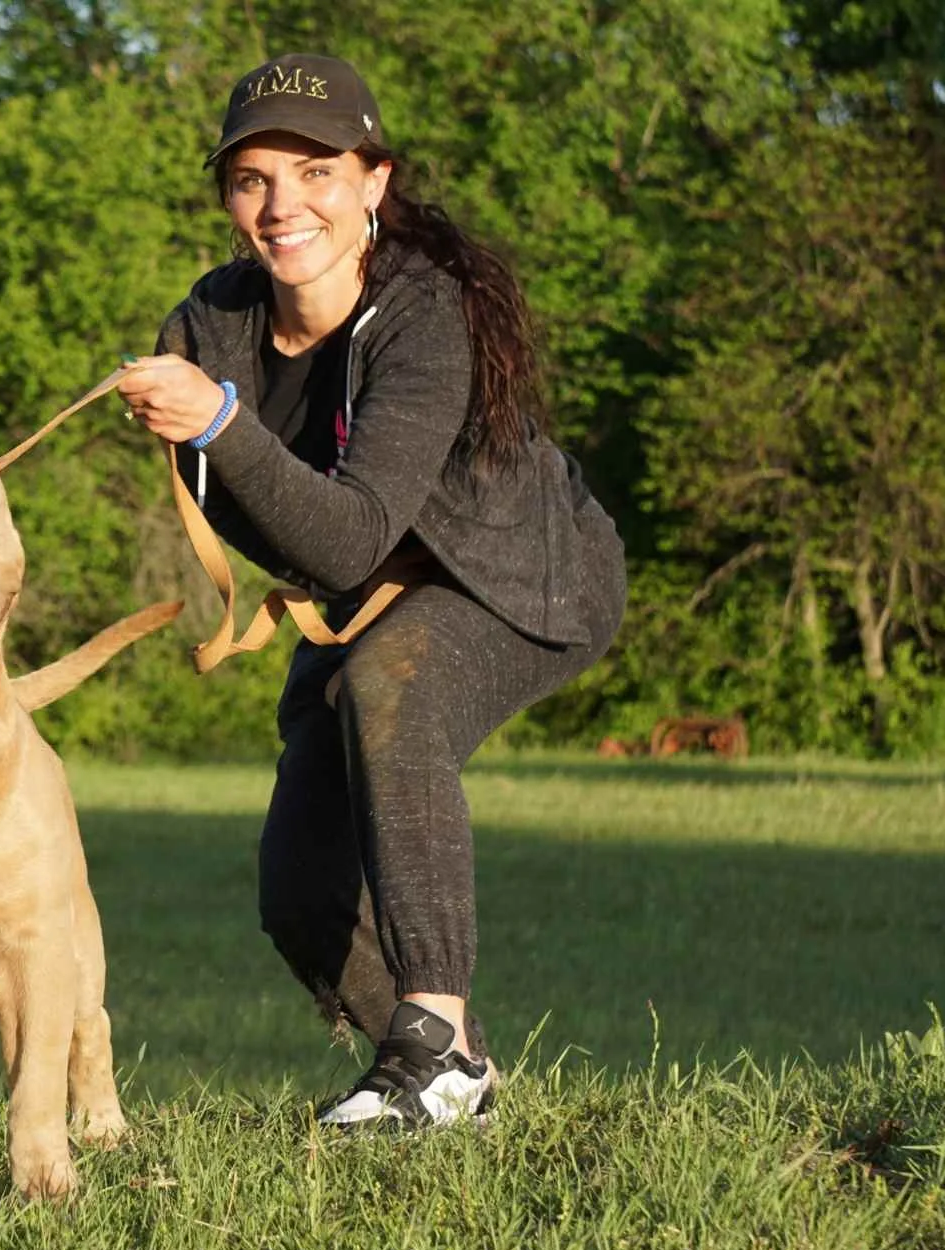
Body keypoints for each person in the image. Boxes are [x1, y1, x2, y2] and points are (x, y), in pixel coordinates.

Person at [115, 53, 627, 1128]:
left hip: (518, 577)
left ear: (371, 182)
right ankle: (458, 1085)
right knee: (298, 892)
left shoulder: (420, 313)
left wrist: (220, 427)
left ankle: (429, 1043)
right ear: (225, 197)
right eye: (251, 179)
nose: (280, 204)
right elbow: (277, 528)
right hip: (366, 596)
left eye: (313, 173)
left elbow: (345, 537)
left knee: (386, 688)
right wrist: (202, 427)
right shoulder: (212, 323)